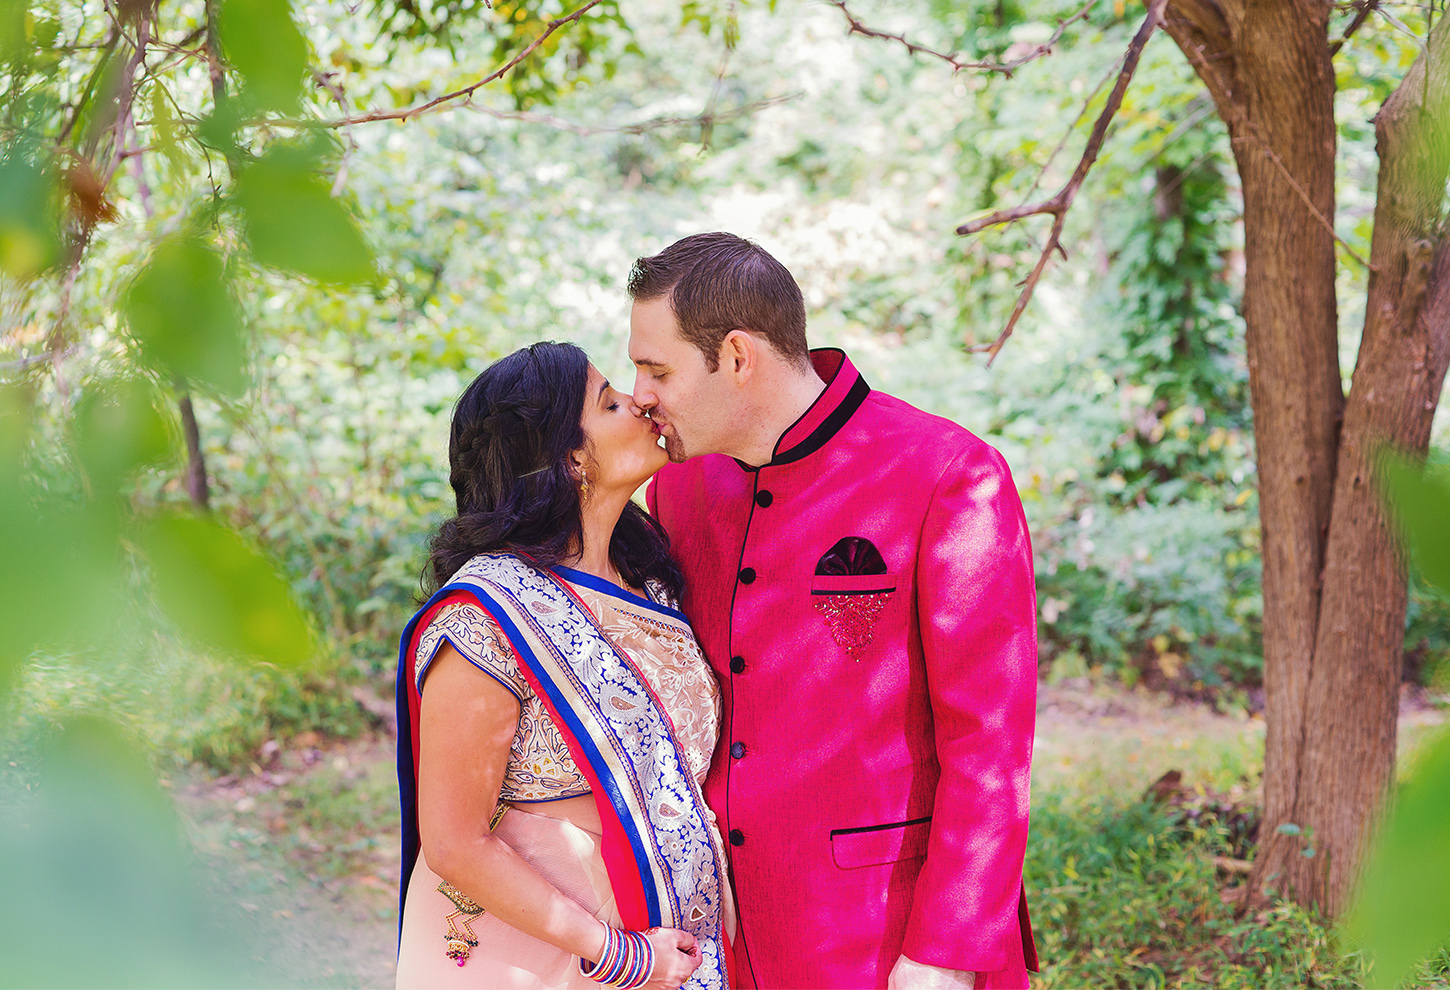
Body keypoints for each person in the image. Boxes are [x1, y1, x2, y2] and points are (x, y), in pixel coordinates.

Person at [628, 233, 1040, 990]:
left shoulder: (949, 476)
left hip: (887, 940)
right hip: (719, 936)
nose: (641, 395)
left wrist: (945, 955)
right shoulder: (678, 491)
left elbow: (991, 743)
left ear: (739, 357)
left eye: (657, 370)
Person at [394, 342, 735, 990]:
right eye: (610, 402)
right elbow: (454, 841)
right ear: (571, 458)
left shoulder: (652, 585)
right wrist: (618, 954)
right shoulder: (487, 614)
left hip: (669, 931)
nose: (639, 402)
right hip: (543, 950)